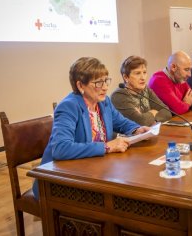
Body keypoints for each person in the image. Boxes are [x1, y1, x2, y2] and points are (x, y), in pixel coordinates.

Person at [32, 57, 150, 199]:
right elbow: (60, 148)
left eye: (106, 81)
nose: (105, 87)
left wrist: (137, 129)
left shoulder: (103, 101)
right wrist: (106, 147)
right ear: (81, 86)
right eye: (98, 83)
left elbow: (120, 121)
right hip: (58, 181)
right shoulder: (69, 106)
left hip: (94, 170)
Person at [111, 56, 171, 126]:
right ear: (126, 77)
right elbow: (141, 122)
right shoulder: (119, 96)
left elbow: (167, 112)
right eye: (137, 73)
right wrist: (153, 112)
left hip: (147, 133)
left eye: (144, 72)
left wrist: (153, 119)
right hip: (128, 136)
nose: (143, 78)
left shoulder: (146, 90)